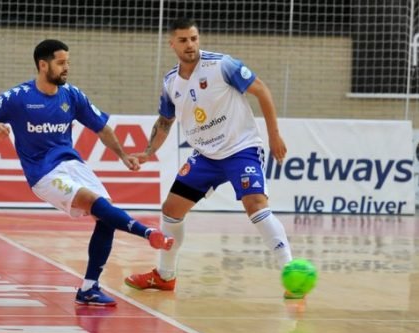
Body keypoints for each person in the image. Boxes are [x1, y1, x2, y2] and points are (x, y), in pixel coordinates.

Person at [0, 39, 174, 307]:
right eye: (61, 62)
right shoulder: (18, 97)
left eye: (68, 62)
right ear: (43, 65)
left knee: (106, 215)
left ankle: (89, 288)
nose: (67, 67)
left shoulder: (72, 95)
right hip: (43, 173)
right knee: (93, 201)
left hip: (73, 165)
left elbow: (102, 128)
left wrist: (123, 155)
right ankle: (147, 233)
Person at [124, 18, 300, 299]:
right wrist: (148, 152)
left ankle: (290, 272)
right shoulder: (171, 82)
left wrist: (274, 136)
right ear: (172, 44)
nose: (190, 45)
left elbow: (262, 90)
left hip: (240, 149)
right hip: (205, 156)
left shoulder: (222, 65)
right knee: (171, 209)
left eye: (193, 38)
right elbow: (165, 121)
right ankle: (165, 276)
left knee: (255, 205)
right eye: (183, 40)